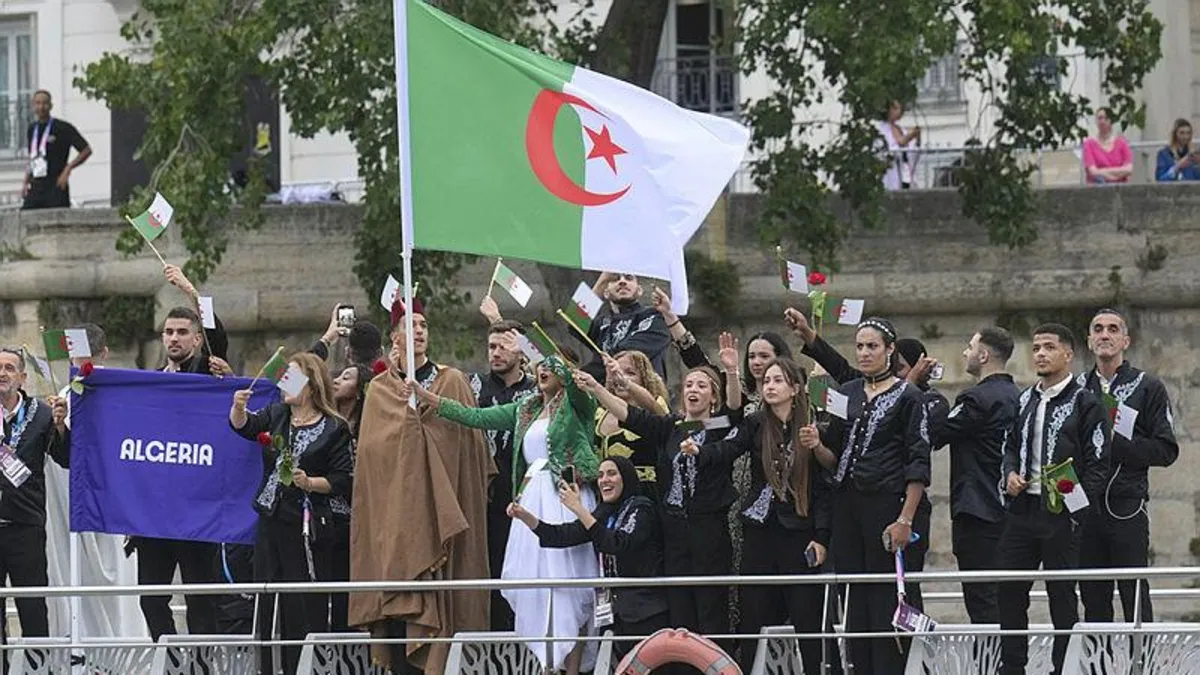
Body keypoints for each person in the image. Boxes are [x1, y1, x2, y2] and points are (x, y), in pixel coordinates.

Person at [416, 348, 601, 675]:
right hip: (532, 498)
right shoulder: (526, 407)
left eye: (552, 366)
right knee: (533, 582)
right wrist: (427, 396)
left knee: (568, 585)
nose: (543, 370)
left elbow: (576, 387)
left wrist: (548, 355)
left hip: (565, 496)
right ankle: (546, 665)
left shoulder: (578, 404)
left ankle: (572, 668)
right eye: (541, 365)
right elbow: (476, 417)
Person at [349, 295, 494, 675]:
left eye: (423, 325)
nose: (418, 331)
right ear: (394, 337)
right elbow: (372, 462)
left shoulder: (452, 382)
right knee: (401, 622)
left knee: (449, 609)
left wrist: (424, 431)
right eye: (409, 325)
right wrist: (407, 431)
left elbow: (470, 450)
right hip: (399, 522)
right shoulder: (380, 390)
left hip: (445, 517)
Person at [575, 355, 742, 644]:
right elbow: (631, 415)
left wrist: (731, 371)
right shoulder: (674, 427)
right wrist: (596, 388)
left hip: (708, 532)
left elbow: (735, 409)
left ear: (714, 396)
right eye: (688, 384)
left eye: (701, 385)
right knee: (680, 613)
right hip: (674, 532)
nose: (693, 389)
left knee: (711, 611)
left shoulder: (717, 424)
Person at [802, 318, 931, 675]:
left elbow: (918, 463)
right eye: (859, 346)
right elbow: (834, 457)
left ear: (890, 350)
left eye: (872, 346)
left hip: (886, 503)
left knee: (885, 597)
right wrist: (816, 446)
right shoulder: (848, 392)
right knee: (854, 597)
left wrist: (905, 519)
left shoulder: (909, 396)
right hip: (847, 505)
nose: (864, 353)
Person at [700, 358, 832, 674]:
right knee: (755, 617)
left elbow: (824, 486)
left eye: (777, 380)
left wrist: (821, 537)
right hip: (760, 529)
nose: (769, 386)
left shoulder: (812, 423)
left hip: (799, 531)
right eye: (766, 381)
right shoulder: (756, 422)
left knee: (808, 618)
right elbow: (729, 447)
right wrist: (701, 452)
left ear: (795, 388)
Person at [231, 353, 354, 675]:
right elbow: (245, 427)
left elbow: (344, 479)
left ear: (311, 386)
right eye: (285, 377)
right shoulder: (277, 414)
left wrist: (310, 482)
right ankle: (268, 668)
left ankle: (306, 667)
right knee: (267, 597)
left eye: (293, 378)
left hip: (306, 526)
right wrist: (238, 408)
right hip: (271, 519)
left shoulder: (334, 428)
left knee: (302, 602)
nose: (284, 383)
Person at [998, 323, 1109, 675]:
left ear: (1068, 354)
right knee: (1009, 591)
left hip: (1062, 515)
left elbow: (1098, 463)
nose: (1041, 354)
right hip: (1022, 511)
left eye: (1049, 347)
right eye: (1036, 348)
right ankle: (1012, 667)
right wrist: (1010, 475)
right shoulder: (1024, 399)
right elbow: (1009, 446)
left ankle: (1063, 668)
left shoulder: (1086, 402)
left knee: (1062, 597)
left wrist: (1076, 509)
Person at [133, 266, 231, 640]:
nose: (174, 338)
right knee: (150, 598)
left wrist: (191, 290)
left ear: (196, 339)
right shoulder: (149, 381)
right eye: (169, 332)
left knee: (201, 599)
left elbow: (218, 336)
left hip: (197, 510)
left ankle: (201, 664)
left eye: (182, 332)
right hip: (155, 512)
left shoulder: (207, 372)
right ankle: (171, 659)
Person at [509, 456, 669, 664]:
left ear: (626, 477)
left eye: (612, 473)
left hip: (644, 613)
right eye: (600, 475)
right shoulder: (605, 511)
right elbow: (562, 536)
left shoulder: (642, 508)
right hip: (616, 615)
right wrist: (524, 516)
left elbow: (617, 544)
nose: (604, 480)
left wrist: (579, 509)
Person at [43, 325, 146, 641]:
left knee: (115, 567)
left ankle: (120, 641)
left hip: (111, 497)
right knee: (76, 570)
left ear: (104, 354)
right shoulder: (63, 397)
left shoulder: (121, 393)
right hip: (70, 499)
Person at [1078, 309, 1178, 624]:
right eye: (1098, 329)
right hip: (1084, 505)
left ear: (1125, 340)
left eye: (1112, 329)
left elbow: (1166, 449)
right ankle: (1098, 655)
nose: (1104, 335)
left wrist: (1116, 444)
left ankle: (1142, 653)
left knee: (1133, 593)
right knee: (1093, 598)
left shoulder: (1147, 386)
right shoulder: (1076, 388)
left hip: (1127, 504)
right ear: (1089, 340)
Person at [937, 327, 1020, 623]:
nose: (965, 353)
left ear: (983, 355)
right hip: (1011, 511)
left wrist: (923, 392)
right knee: (1008, 599)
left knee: (982, 600)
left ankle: (989, 653)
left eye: (970, 347)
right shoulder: (1019, 397)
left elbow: (937, 433)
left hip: (978, 510)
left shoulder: (976, 399)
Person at [467, 318, 537, 633]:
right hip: (482, 497)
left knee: (522, 574)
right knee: (489, 573)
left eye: (504, 347)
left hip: (525, 496)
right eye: (491, 346)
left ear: (522, 351)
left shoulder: (537, 390)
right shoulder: (473, 385)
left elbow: (568, 376)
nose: (495, 353)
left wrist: (531, 348)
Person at [0, 348, 68, 671]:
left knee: (32, 609)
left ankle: (38, 669)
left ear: (22, 377)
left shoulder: (41, 414)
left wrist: (61, 427)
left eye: (9, 368)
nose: (2, 373)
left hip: (25, 526)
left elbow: (66, 458)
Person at [327, 362, 373, 632]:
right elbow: (287, 381)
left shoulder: (370, 425)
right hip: (325, 516)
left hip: (361, 518)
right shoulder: (321, 417)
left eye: (346, 378)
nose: (336, 381)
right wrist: (324, 343)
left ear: (359, 390)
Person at [593, 349, 670, 501]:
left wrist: (627, 384)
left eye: (630, 373)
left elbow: (660, 417)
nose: (620, 376)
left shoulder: (654, 407)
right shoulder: (600, 413)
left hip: (644, 495)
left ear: (644, 379)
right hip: (605, 495)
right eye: (615, 372)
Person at [581, 272, 671, 383]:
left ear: (639, 290)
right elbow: (573, 321)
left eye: (629, 278)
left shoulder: (654, 315)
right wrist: (603, 280)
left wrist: (580, 375)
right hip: (606, 391)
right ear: (606, 293)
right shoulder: (602, 323)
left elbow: (625, 355)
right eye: (615, 279)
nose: (622, 281)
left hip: (642, 391)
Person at [21, 90, 91, 210]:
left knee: (57, 219)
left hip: (56, 185)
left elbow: (86, 150)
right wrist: (25, 182)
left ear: (51, 106)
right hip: (36, 185)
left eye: (45, 103)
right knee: (25, 216)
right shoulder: (32, 129)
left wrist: (68, 169)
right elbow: (32, 157)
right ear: (33, 106)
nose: (41, 107)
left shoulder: (62, 127)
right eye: (38, 103)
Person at [1083, 107, 1133, 185]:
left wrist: (1102, 172)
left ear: (1111, 121)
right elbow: (1093, 172)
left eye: (1106, 118)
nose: (1102, 121)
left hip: (1120, 190)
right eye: (1100, 118)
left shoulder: (1122, 143)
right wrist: (1118, 174)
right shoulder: (1089, 144)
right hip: (1097, 189)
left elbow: (1129, 170)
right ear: (1096, 121)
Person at [878, 99, 921, 190]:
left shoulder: (900, 129)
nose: (898, 111)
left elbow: (911, 151)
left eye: (899, 108)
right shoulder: (881, 129)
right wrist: (905, 140)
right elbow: (888, 149)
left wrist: (916, 139)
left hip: (905, 172)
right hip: (891, 173)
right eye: (894, 108)